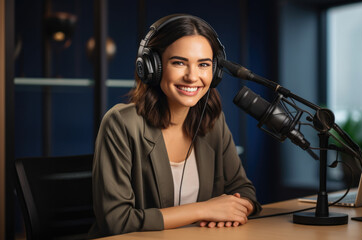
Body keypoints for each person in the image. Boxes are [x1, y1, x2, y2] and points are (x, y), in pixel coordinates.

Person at [89, 14, 261, 238]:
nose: (192, 77)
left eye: (203, 65)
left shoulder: (212, 121)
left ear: (215, 72)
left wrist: (238, 208)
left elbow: (244, 190)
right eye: (179, 62)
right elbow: (117, 220)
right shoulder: (121, 123)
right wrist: (204, 209)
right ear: (153, 67)